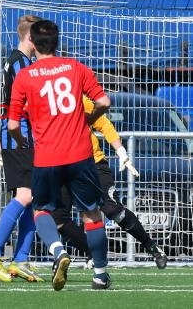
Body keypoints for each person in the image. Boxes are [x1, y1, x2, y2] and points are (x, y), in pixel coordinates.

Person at [7, 19, 112, 291]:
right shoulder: (76, 68)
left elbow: (13, 124)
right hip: (80, 154)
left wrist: (21, 143)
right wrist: (90, 118)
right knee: (92, 213)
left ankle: (57, 251)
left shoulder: (25, 76)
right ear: (58, 41)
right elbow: (104, 101)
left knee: (42, 209)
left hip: (46, 157)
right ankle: (100, 274)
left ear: (32, 40)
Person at [51, 95, 168, 269]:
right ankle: (92, 254)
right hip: (61, 167)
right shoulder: (38, 100)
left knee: (113, 209)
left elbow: (103, 123)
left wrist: (121, 151)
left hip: (93, 165)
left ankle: (152, 246)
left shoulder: (72, 96)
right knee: (57, 219)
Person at [0, 15, 44, 283]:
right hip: (20, 139)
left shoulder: (21, 61)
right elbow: (20, 105)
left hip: (23, 138)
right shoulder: (20, 63)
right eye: (39, 37)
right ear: (30, 37)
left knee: (32, 199)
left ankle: (20, 259)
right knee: (26, 196)